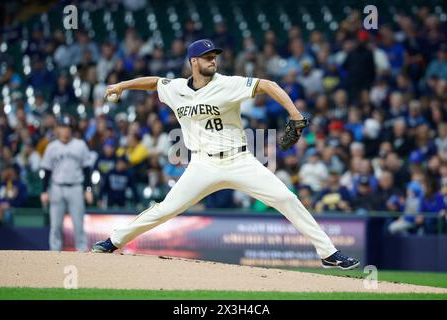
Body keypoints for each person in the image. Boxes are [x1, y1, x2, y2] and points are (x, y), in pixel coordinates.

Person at [92, 39, 360, 270]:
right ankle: (113, 241)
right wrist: (123, 85)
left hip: (239, 160)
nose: (213, 61)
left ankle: (328, 253)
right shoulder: (176, 88)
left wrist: (295, 115)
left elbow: (268, 84)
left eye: (215, 57)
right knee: (164, 210)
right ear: (193, 61)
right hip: (202, 164)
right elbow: (154, 83)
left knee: (285, 198)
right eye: (207, 57)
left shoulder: (228, 84)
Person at [40, 116, 94, 252]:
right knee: (55, 225)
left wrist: (88, 189)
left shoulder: (80, 145)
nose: (65, 130)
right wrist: (44, 191)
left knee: (78, 224)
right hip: (57, 187)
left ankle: (82, 252)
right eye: (63, 127)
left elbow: (87, 169)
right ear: (57, 129)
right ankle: (54, 253)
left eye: (68, 127)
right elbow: (46, 170)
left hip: (75, 187)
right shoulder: (52, 147)